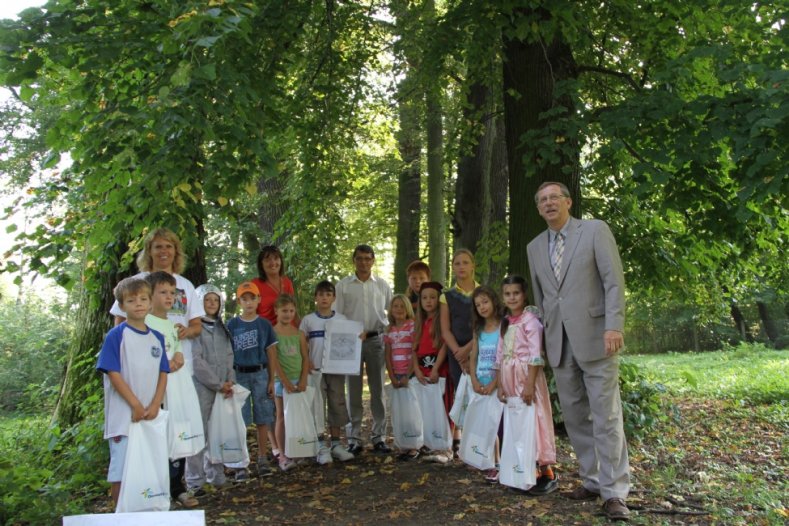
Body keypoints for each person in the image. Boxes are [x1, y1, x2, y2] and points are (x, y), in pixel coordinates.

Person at [526, 181, 630, 521]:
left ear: (568, 202)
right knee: (575, 418)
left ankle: (614, 492)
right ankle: (592, 480)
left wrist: (614, 325)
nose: (548, 203)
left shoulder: (595, 231)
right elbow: (543, 300)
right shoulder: (534, 247)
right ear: (538, 209)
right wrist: (539, 341)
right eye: (542, 200)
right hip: (559, 343)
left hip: (598, 337)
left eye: (554, 197)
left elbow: (613, 281)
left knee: (606, 415)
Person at [96, 277, 169, 507]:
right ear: (122, 305)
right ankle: (120, 515)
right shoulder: (116, 336)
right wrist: (135, 405)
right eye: (131, 300)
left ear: (150, 304)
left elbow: (163, 373)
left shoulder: (157, 337)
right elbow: (113, 373)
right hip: (124, 418)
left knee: (149, 467)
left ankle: (146, 513)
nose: (138, 303)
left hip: (150, 416)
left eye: (143, 299)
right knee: (122, 469)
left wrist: (156, 403)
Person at [494, 275, 557, 494]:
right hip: (510, 380)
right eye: (507, 294)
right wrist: (501, 385)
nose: (512, 298)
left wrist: (530, 384)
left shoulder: (530, 321)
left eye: (516, 293)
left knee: (535, 420)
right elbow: (501, 355)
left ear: (524, 294)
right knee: (518, 423)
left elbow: (535, 354)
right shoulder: (505, 322)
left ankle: (546, 471)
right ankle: (523, 470)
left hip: (527, 378)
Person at [144, 272, 201, 508]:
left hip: (176, 390)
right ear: (149, 295)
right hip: (155, 393)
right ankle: (156, 489)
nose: (169, 298)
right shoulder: (144, 323)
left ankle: (177, 486)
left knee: (178, 434)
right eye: (163, 292)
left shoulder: (171, 324)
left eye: (172, 293)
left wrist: (178, 355)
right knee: (158, 438)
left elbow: (176, 349)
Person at [110, 228, 204, 369]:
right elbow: (120, 321)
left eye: (168, 246)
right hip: (144, 361)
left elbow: (197, 326)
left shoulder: (186, 285)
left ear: (175, 251)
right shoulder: (135, 282)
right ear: (149, 252)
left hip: (179, 361)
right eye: (158, 247)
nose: (163, 251)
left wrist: (187, 331)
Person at [334, 244, 393, 455]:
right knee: (354, 391)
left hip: (376, 340)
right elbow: (337, 316)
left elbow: (393, 313)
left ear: (373, 260)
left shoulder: (382, 285)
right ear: (354, 260)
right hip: (351, 343)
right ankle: (355, 438)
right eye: (359, 258)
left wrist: (390, 336)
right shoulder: (343, 286)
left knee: (378, 391)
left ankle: (379, 437)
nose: (364, 262)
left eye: (368, 258)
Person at [298, 280, 355, 463]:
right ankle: (321, 446)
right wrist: (307, 363)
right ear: (315, 297)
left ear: (334, 298)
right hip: (315, 371)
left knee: (337, 403)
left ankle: (337, 444)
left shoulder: (342, 319)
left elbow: (348, 344)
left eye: (328, 294)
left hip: (336, 370)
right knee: (317, 406)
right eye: (321, 294)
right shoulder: (308, 320)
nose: (324, 298)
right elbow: (302, 344)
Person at [226, 281, 278, 479]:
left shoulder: (264, 324)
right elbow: (227, 354)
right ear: (239, 301)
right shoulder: (232, 324)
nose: (248, 303)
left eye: (252, 298)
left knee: (263, 417)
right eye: (244, 299)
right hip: (239, 375)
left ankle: (263, 458)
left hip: (260, 373)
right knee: (241, 419)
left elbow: (271, 352)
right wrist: (229, 378)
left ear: (259, 300)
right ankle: (241, 463)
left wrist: (272, 379)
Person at [187, 284, 236, 490]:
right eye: (207, 300)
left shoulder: (222, 328)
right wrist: (217, 383)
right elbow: (196, 361)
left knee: (218, 432)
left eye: (215, 300)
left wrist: (230, 380)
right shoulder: (196, 329)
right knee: (199, 433)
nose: (211, 304)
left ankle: (216, 474)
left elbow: (228, 355)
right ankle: (195, 481)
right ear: (199, 302)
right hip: (203, 387)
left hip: (223, 388)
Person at [439, 249, 479, 454]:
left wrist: (469, 350)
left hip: (479, 347)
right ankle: (457, 436)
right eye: (457, 263)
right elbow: (445, 329)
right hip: (455, 351)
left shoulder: (482, 293)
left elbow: (486, 325)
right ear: (453, 267)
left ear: (473, 266)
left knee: (477, 392)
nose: (461, 267)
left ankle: (478, 439)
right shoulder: (447, 296)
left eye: (465, 262)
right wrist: (458, 352)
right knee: (458, 391)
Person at [412, 281, 452, 464]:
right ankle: (429, 443)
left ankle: (445, 447)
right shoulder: (419, 322)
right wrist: (417, 370)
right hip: (422, 371)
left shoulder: (442, 320)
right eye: (424, 298)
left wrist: (436, 369)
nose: (428, 301)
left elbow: (444, 344)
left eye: (433, 297)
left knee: (441, 408)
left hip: (438, 370)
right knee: (426, 409)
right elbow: (413, 349)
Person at [270, 294, 309, 472]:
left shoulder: (299, 334)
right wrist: (284, 381)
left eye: (291, 311)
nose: (288, 314)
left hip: (298, 380)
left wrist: (303, 379)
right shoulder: (272, 333)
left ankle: (298, 450)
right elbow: (274, 360)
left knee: (297, 417)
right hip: (281, 381)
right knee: (282, 417)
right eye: (284, 310)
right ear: (276, 311)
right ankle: (283, 454)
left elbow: (305, 358)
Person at [468, 285, 503, 483]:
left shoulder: (503, 326)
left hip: (495, 384)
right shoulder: (478, 329)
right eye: (478, 304)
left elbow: (504, 357)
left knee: (493, 424)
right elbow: (474, 355)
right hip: (479, 383)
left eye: (485, 302)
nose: (482, 307)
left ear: (494, 301)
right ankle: (484, 459)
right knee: (481, 424)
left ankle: (496, 464)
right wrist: (473, 379)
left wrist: (495, 382)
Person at [383, 294, 417, 461]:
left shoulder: (412, 326)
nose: (398, 309)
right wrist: (392, 376)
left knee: (411, 412)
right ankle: (403, 444)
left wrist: (408, 374)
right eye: (395, 306)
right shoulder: (389, 330)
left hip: (409, 376)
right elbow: (387, 355)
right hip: (396, 376)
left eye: (402, 306)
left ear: (408, 308)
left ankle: (414, 445)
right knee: (399, 412)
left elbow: (414, 351)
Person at [251, 245, 298, 327]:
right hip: (267, 335)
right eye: (268, 260)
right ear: (261, 264)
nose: (273, 263)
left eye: (276, 258)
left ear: (281, 261)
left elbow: (294, 312)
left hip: (289, 334)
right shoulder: (254, 285)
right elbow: (250, 315)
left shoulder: (287, 282)